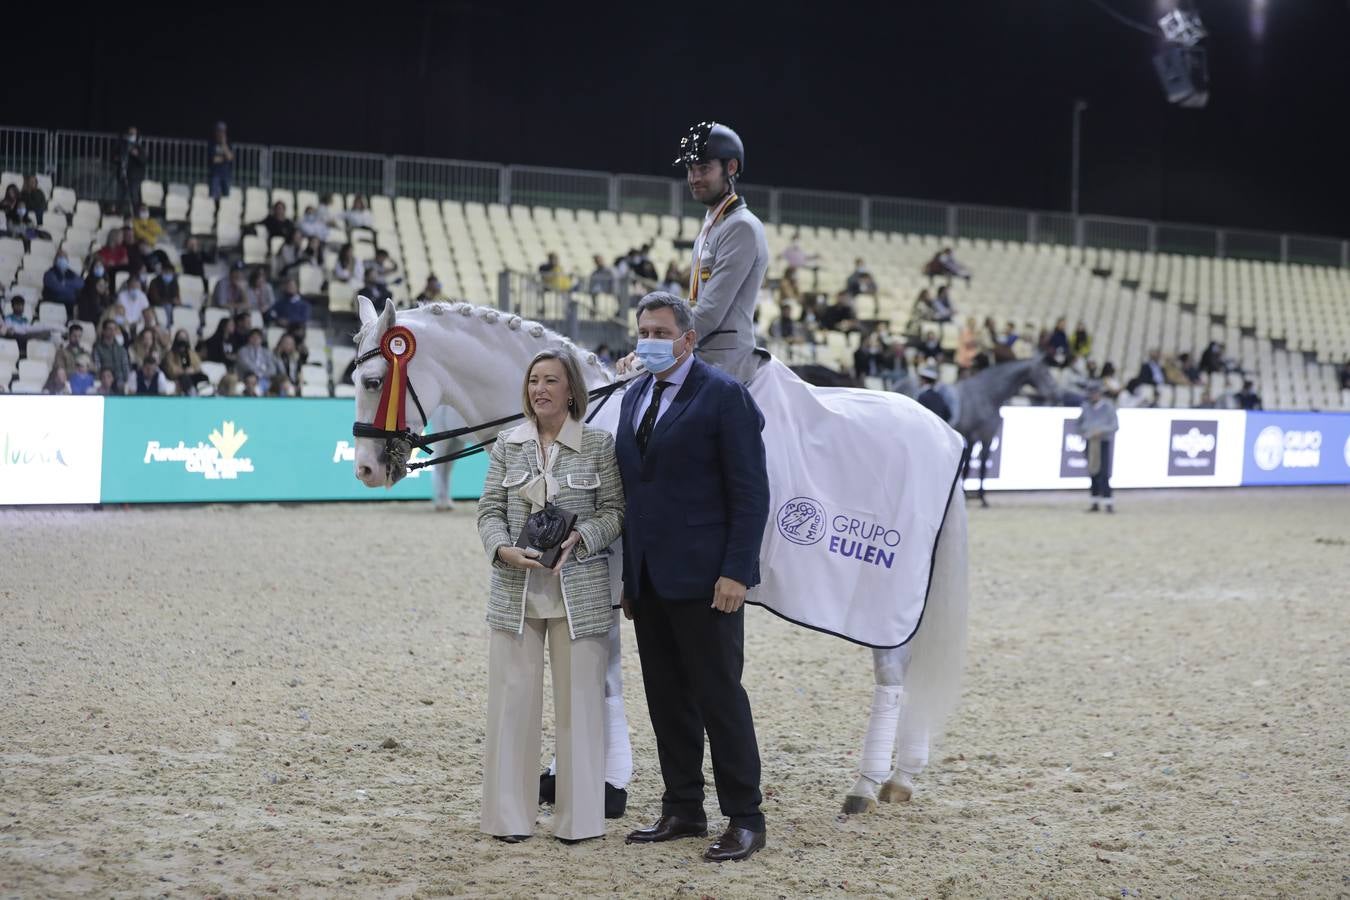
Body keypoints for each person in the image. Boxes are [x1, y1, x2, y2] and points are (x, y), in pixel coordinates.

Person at [617, 292, 770, 863]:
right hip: (651, 581)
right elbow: (636, 492)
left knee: (719, 697)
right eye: (642, 331)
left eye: (659, 331)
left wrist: (737, 571)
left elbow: (750, 493)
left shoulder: (724, 396)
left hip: (710, 581)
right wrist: (632, 579)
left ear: (687, 338)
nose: (648, 341)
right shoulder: (636, 395)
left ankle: (746, 817)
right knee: (666, 699)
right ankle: (683, 806)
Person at [476, 346, 625, 844]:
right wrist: (501, 549)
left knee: (581, 705)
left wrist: (581, 537)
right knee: (511, 703)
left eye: (551, 380)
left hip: (578, 592)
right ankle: (508, 818)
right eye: (534, 380)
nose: (540, 389)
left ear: (571, 389)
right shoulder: (506, 445)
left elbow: (615, 512)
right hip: (516, 592)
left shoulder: (599, 445)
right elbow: (489, 511)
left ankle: (579, 820)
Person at [620, 122, 768, 386]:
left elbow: (709, 313)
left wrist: (656, 350)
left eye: (704, 168)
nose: (694, 177)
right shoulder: (713, 224)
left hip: (725, 363)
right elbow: (694, 305)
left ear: (731, 168)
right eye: (690, 169)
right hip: (700, 353)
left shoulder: (740, 226)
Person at [1074, 380, 1118, 513]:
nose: (1092, 396)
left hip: (1103, 442)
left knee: (1104, 472)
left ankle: (1108, 502)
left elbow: (1114, 425)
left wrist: (1101, 431)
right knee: (1093, 471)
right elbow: (1078, 424)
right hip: (1090, 441)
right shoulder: (1086, 407)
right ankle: (1095, 502)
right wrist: (1086, 433)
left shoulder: (1108, 407)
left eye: (1094, 393)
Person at [163, 329, 208, 395]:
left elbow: (198, 365)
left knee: (203, 377)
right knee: (185, 377)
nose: (182, 341)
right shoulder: (171, 354)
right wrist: (183, 371)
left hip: (192, 375)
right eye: (180, 338)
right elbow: (171, 369)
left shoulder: (191, 353)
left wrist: (193, 370)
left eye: (184, 338)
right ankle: (192, 393)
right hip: (179, 377)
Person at [43, 251, 85, 318]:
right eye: (60, 257)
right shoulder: (49, 274)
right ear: (55, 260)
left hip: (70, 305)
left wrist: (65, 283)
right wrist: (72, 289)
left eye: (64, 258)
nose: (63, 260)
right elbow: (58, 288)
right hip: (54, 305)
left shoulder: (71, 273)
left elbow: (81, 283)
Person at [92, 319, 131, 391]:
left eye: (114, 329)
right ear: (103, 331)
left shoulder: (121, 349)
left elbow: (125, 367)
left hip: (120, 382)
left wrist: (127, 381)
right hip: (104, 381)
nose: (112, 331)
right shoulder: (97, 349)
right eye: (109, 329)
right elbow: (97, 367)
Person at [116, 126, 146, 217]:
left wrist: (136, 154)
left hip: (134, 176)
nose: (131, 136)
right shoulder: (123, 145)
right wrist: (117, 159)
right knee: (120, 196)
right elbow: (115, 156)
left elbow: (144, 160)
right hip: (123, 175)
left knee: (134, 197)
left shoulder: (140, 146)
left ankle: (136, 215)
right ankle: (118, 214)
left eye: (133, 134)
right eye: (130, 133)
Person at [208, 121, 234, 199]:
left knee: (226, 197)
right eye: (219, 130)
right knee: (214, 197)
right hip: (215, 174)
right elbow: (214, 159)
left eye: (222, 131)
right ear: (216, 131)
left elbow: (230, 157)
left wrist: (223, 144)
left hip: (226, 174)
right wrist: (225, 158)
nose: (221, 133)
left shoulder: (228, 143)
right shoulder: (212, 143)